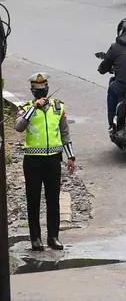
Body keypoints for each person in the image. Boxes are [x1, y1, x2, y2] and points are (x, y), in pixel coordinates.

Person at [14, 73, 76, 252]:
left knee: (53, 199)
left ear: (48, 89)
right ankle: (35, 239)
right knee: (33, 200)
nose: (41, 94)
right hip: (33, 160)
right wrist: (34, 108)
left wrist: (70, 156)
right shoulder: (26, 108)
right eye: (37, 91)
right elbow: (18, 127)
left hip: (53, 160)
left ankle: (53, 237)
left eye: (43, 91)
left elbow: (65, 133)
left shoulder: (58, 107)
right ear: (32, 92)